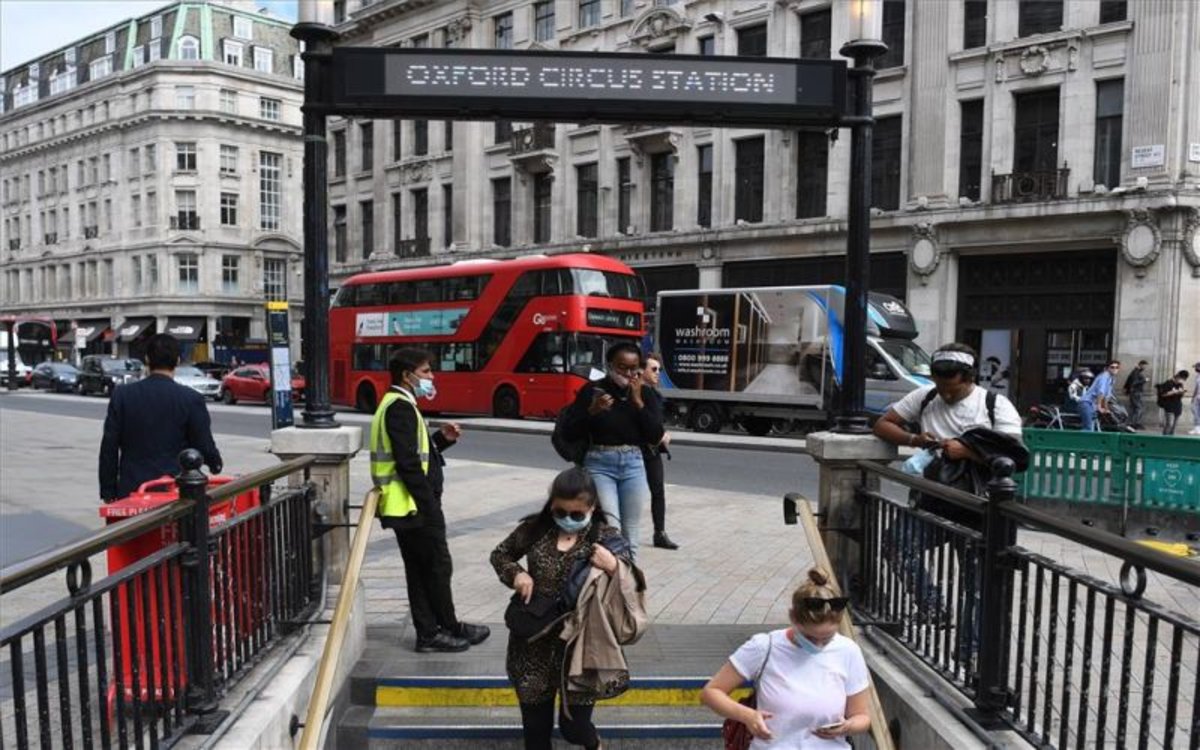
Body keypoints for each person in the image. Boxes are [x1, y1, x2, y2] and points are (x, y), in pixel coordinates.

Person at [871, 343, 1025, 641]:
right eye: (940, 386)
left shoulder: (995, 405)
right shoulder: (926, 396)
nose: (946, 394)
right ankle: (933, 608)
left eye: (952, 388)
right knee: (895, 545)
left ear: (969, 378)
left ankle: (970, 653)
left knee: (976, 586)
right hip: (933, 499)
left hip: (977, 507)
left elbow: (1014, 457)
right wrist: (914, 438)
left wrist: (967, 451)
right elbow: (883, 424)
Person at [490, 467, 627, 750]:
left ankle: (596, 745)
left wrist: (613, 566)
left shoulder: (605, 537)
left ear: (592, 507)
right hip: (532, 644)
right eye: (560, 511)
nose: (568, 519)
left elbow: (631, 581)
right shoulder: (534, 530)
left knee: (575, 728)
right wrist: (516, 574)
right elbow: (500, 554)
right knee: (536, 733)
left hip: (580, 648)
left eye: (577, 514)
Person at [371, 347, 489, 653]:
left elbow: (415, 454)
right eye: (425, 372)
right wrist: (429, 505)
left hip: (411, 504)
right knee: (435, 567)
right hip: (412, 506)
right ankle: (435, 631)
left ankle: (442, 627)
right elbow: (407, 463)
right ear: (407, 376)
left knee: (426, 569)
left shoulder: (400, 404)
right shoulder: (399, 407)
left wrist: (441, 440)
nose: (431, 377)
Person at [700, 568, 872, 748]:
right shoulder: (764, 646)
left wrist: (847, 726)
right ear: (793, 618)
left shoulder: (848, 650)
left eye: (827, 638)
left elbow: (862, 716)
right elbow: (711, 692)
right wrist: (747, 716)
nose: (819, 645)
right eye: (811, 638)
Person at [558, 342, 664, 559]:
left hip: (633, 464)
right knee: (611, 527)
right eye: (621, 367)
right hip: (599, 463)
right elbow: (570, 431)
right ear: (610, 365)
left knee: (631, 532)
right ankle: (612, 580)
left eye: (633, 368)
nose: (627, 373)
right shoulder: (592, 390)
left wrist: (637, 402)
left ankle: (629, 584)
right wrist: (592, 411)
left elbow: (655, 435)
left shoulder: (645, 393)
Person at [99, 334, 222, 503]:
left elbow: (109, 447)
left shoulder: (122, 395)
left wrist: (108, 490)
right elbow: (203, 443)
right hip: (176, 490)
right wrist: (215, 464)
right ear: (178, 361)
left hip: (133, 491)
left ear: (147, 359)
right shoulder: (191, 399)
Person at [641, 353, 678, 550]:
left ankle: (660, 533)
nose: (658, 373)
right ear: (642, 371)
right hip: (639, 451)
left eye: (659, 370)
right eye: (653, 369)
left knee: (658, 491)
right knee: (632, 492)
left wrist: (662, 434)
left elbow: (655, 421)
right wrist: (660, 434)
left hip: (652, 451)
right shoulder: (637, 393)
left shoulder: (654, 394)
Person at [1080, 359, 1120, 431]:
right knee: (1088, 427)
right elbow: (1101, 392)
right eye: (1112, 367)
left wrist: (1106, 408)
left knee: (1094, 426)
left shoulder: (1111, 379)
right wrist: (1099, 406)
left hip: (1092, 404)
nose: (1115, 369)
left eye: (1117, 367)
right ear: (1107, 368)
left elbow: (1107, 395)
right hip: (1086, 403)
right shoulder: (1104, 376)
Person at [1156, 370, 1189, 435]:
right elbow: (1163, 394)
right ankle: (1164, 439)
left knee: (1174, 426)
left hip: (1177, 406)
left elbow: (1181, 396)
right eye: (1182, 379)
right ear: (1178, 377)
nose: (1182, 381)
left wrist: (1182, 392)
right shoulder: (1168, 383)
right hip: (1169, 406)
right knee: (1169, 424)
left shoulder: (1180, 384)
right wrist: (1173, 392)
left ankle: (1171, 438)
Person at [1123, 360, 1149, 429]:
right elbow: (1134, 383)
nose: (1145, 368)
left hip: (1134, 392)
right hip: (1136, 392)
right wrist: (1144, 380)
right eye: (1144, 366)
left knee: (1133, 408)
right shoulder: (1136, 372)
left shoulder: (1135, 371)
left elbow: (1129, 380)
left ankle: (1130, 423)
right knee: (1139, 408)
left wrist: (1126, 388)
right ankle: (1135, 423)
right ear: (1141, 365)